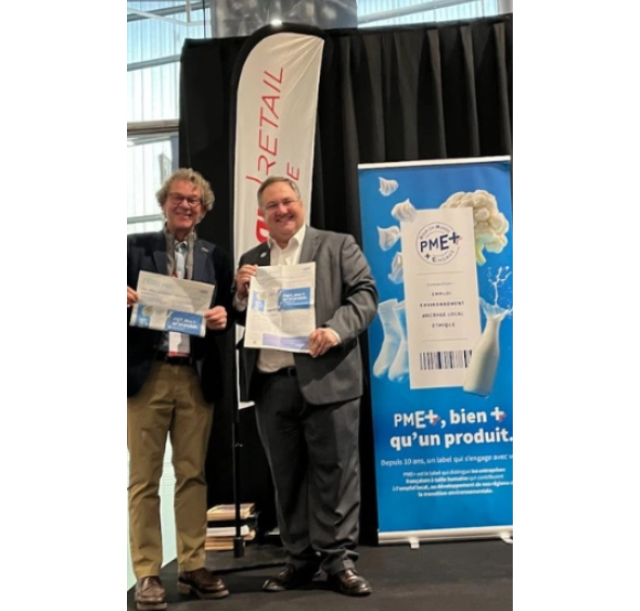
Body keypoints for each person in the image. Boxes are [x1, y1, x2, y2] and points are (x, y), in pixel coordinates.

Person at [233, 176, 378, 597]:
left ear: (301, 202)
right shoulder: (253, 259)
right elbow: (244, 318)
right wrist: (240, 295)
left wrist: (335, 330)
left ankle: (339, 561)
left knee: (337, 474)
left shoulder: (337, 246)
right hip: (272, 386)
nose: (281, 210)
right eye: (271, 206)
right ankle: (298, 559)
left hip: (328, 379)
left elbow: (365, 296)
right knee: (287, 477)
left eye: (287, 201)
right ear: (262, 215)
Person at [127, 168, 233, 610]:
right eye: (177, 197)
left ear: (203, 209)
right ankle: (148, 572)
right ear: (163, 203)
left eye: (193, 200)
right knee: (144, 479)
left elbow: (229, 308)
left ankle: (192, 564)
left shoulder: (216, 256)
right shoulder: (133, 248)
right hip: (147, 373)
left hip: (195, 374)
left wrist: (224, 315)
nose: (185, 205)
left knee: (192, 474)